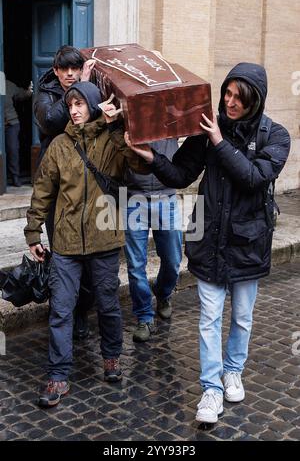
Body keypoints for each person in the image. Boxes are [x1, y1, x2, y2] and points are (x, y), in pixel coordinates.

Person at [125, 62, 290, 424]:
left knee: (242, 318)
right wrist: (153, 159)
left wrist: (218, 140)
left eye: (239, 98)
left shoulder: (275, 137)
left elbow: (253, 178)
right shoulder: (206, 130)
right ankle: (211, 388)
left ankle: (233, 369)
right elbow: (181, 173)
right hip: (209, 237)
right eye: (227, 94)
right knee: (209, 318)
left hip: (249, 241)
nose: (229, 103)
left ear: (255, 102)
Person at [24, 81, 148, 408]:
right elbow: (43, 192)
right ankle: (58, 374)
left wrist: (116, 126)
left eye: (80, 104)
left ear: (93, 105)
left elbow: (134, 167)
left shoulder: (111, 140)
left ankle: (111, 358)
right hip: (65, 244)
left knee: (107, 305)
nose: (75, 110)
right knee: (61, 309)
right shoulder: (59, 146)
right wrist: (34, 232)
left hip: (104, 240)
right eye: (71, 104)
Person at [34, 45, 95, 340]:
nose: (70, 74)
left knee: (85, 250)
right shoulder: (45, 94)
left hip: (84, 182)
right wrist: (81, 85)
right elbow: (51, 122)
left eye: (75, 69)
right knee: (62, 253)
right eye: (65, 70)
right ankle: (62, 311)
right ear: (56, 71)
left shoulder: (88, 85)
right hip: (56, 184)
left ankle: (81, 311)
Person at [123, 139, 183, 342]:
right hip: (133, 196)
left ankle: (163, 292)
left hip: (166, 195)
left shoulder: (168, 108)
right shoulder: (126, 108)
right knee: (135, 265)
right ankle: (144, 316)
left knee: (173, 260)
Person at [4, 78, 33, 186]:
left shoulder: (7, 83)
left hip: (11, 123)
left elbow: (21, 94)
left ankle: (15, 176)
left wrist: (29, 91)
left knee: (13, 150)